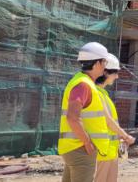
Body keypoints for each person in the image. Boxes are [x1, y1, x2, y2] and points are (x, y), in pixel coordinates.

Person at [58, 42, 111, 182]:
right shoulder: (83, 85)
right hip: (80, 149)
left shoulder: (80, 81)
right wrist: (87, 142)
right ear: (97, 63)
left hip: (74, 148)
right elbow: (72, 118)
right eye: (104, 62)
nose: (105, 66)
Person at [94, 54, 136, 182]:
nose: (117, 76)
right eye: (115, 73)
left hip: (110, 151)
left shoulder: (103, 94)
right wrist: (126, 136)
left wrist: (120, 137)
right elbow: (108, 120)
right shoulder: (96, 93)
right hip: (102, 152)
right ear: (105, 72)